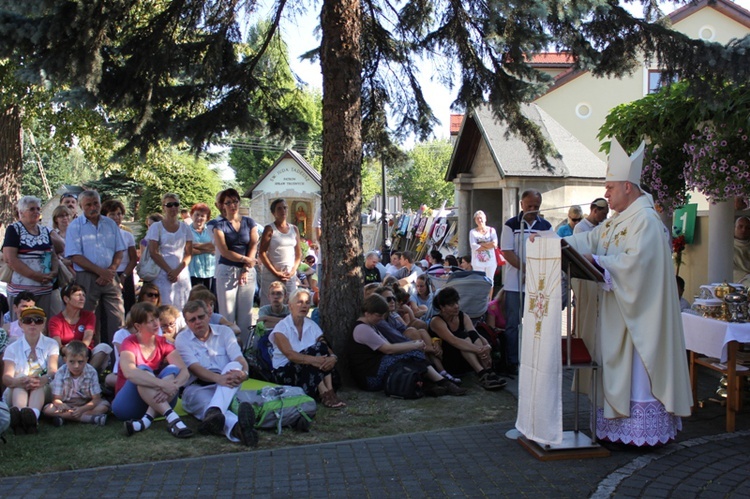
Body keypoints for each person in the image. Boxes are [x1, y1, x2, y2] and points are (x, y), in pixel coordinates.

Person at [563, 138, 692, 447]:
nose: (605, 194)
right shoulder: (617, 221)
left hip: (638, 322)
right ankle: (615, 429)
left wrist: (600, 262)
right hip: (616, 315)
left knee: (635, 375)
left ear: (628, 188)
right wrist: (555, 244)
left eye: (610, 187)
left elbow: (638, 267)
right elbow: (590, 241)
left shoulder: (646, 221)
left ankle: (637, 433)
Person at [175, 300, 258, 447]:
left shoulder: (225, 332)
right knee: (215, 409)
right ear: (187, 323)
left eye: (201, 317)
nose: (198, 322)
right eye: (192, 320)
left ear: (208, 315)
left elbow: (239, 358)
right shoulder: (182, 339)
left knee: (234, 365)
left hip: (227, 384)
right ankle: (240, 429)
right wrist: (218, 378)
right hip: (197, 388)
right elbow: (194, 368)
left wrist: (244, 373)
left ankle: (214, 412)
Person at [348, 294, 466, 396]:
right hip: (370, 377)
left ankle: (430, 384)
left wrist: (412, 344)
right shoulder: (362, 329)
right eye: (378, 316)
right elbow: (388, 349)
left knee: (411, 357)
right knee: (413, 354)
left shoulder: (370, 326)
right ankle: (442, 382)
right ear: (367, 313)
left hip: (375, 369)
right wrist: (413, 345)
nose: (380, 319)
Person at [111, 302, 193, 438]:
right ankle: (173, 419)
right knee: (142, 369)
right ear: (138, 326)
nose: (156, 324)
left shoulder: (163, 342)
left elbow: (184, 370)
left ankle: (146, 421)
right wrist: (162, 384)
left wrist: (174, 385)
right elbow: (129, 372)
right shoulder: (129, 342)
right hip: (127, 405)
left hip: (159, 399)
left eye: (156, 319)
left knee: (172, 369)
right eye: (150, 321)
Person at [65, 190, 126, 346]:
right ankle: (95, 361)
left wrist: (110, 270)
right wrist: (101, 272)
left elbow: (120, 249)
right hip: (87, 278)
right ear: (81, 206)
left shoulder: (110, 224)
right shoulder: (75, 227)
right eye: (88, 205)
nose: (93, 207)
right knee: (90, 321)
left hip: (110, 276)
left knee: (118, 318)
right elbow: (74, 255)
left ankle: (118, 360)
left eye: (96, 203)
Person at [501, 189, 551, 373]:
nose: (532, 209)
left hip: (537, 284)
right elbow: (507, 251)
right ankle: (513, 361)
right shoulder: (511, 225)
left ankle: (534, 360)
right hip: (514, 283)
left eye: (536, 207)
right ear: (522, 204)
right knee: (513, 322)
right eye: (529, 206)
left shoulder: (545, 226)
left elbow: (549, 251)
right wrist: (524, 268)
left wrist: (532, 272)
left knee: (535, 322)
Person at [269, 289, 345, 408]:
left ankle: (329, 391)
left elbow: (324, 345)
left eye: (307, 302)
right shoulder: (281, 328)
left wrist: (332, 358)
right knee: (312, 356)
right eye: (300, 302)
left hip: (311, 370)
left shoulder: (312, 325)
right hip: (286, 372)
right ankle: (325, 393)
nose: (304, 306)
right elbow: (290, 355)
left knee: (320, 348)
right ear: (290, 306)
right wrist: (315, 360)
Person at [428, 287, 506, 391]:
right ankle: (482, 373)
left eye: (456, 302)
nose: (456, 306)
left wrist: (486, 346)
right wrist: (479, 350)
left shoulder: (462, 316)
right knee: (463, 337)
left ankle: (487, 371)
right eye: (451, 305)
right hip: (448, 359)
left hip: (464, 356)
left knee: (470, 336)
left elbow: (474, 333)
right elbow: (453, 340)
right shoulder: (436, 321)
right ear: (442, 307)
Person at [2, 307, 59, 434]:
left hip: (44, 389)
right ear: (21, 324)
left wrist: (43, 379)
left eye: (38, 320)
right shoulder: (12, 348)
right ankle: (21, 415)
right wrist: (20, 381)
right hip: (16, 390)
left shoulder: (51, 344)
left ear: (43, 324)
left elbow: (52, 370)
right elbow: (6, 377)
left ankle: (31, 417)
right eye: (28, 320)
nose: (33, 323)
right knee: (20, 380)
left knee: (37, 384)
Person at [213, 188, 258, 347]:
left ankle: (246, 351)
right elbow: (224, 251)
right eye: (228, 202)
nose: (233, 205)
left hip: (247, 272)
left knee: (245, 315)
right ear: (222, 206)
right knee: (228, 315)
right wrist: (246, 259)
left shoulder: (249, 222)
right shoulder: (219, 226)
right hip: (227, 272)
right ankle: (229, 350)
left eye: (235, 201)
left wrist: (246, 267)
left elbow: (253, 244)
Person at [3, 196, 59, 320]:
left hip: (45, 289)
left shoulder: (44, 230)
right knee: (21, 326)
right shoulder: (14, 230)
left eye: (38, 209)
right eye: (32, 209)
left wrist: (54, 272)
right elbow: (10, 259)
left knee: (42, 325)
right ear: (21, 212)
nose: (36, 212)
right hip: (22, 291)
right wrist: (36, 276)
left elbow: (53, 255)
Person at [47, 284, 113, 373]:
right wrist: (71, 352)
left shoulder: (89, 316)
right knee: (54, 356)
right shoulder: (55, 320)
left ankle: (86, 375)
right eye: (78, 295)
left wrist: (79, 352)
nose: (82, 298)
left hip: (85, 354)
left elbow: (87, 340)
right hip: (66, 356)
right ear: (66, 299)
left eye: (83, 295)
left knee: (104, 347)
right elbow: (57, 345)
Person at [42, 340, 110, 427]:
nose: (76, 366)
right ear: (65, 360)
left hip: (85, 404)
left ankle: (65, 417)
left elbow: (96, 399)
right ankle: (90, 419)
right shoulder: (61, 372)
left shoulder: (91, 372)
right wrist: (60, 404)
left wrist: (82, 409)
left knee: (104, 406)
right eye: (72, 362)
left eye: (80, 362)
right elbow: (56, 399)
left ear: (86, 360)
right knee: (48, 409)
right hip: (67, 404)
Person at [147, 193, 193, 311]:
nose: (173, 208)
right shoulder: (156, 227)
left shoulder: (185, 227)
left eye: (176, 204)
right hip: (162, 272)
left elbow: (188, 253)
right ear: (163, 207)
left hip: (181, 273)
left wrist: (177, 270)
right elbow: (153, 251)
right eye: (169, 205)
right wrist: (169, 271)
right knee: (164, 308)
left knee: (183, 307)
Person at [259, 198, 302, 306]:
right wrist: (275, 272)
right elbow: (262, 253)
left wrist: (293, 271)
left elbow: (298, 254)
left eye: (285, 208)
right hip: (272, 275)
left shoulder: (294, 229)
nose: (283, 211)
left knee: (290, 305)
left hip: (289, 274)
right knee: (270, 306)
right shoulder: (270, 229)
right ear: (274, 213)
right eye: (279, 209)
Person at [101, 199, 138, 314]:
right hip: (107, 275)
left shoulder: (127, 235)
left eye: (119, 214)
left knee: (127, 308)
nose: (116, 217)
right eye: (112, 214)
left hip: (125, 274)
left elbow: (133, 259)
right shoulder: (100, 236)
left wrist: (124, 276)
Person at [188, 203, 216, 291]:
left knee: (209, 300)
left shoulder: (212, 231)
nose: (199, 218)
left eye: (202, 216)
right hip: (193, 272)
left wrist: (196, 246)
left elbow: (216, 246)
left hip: (210, 272)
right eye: (197, 215)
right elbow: (188, 250)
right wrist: (208, 248)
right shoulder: (186, 231)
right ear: (191, 215)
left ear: (207, 218)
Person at [469, 210, 499, 281]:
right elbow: (473, 246)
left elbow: (494, 244)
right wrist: (488, 245)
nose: (479, 220)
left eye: (481, 218)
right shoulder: (472, 232)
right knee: (479, 281)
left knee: (490, 281)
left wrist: (480, 245)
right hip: (477, 262)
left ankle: (490, 293)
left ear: (485, 219)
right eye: (477, 218)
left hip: (490, 261)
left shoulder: (492, 230)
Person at [733, 216, 750, 284]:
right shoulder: (726, 248)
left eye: (747, 228)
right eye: (740, 226)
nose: (743, 230)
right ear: (734, 228)